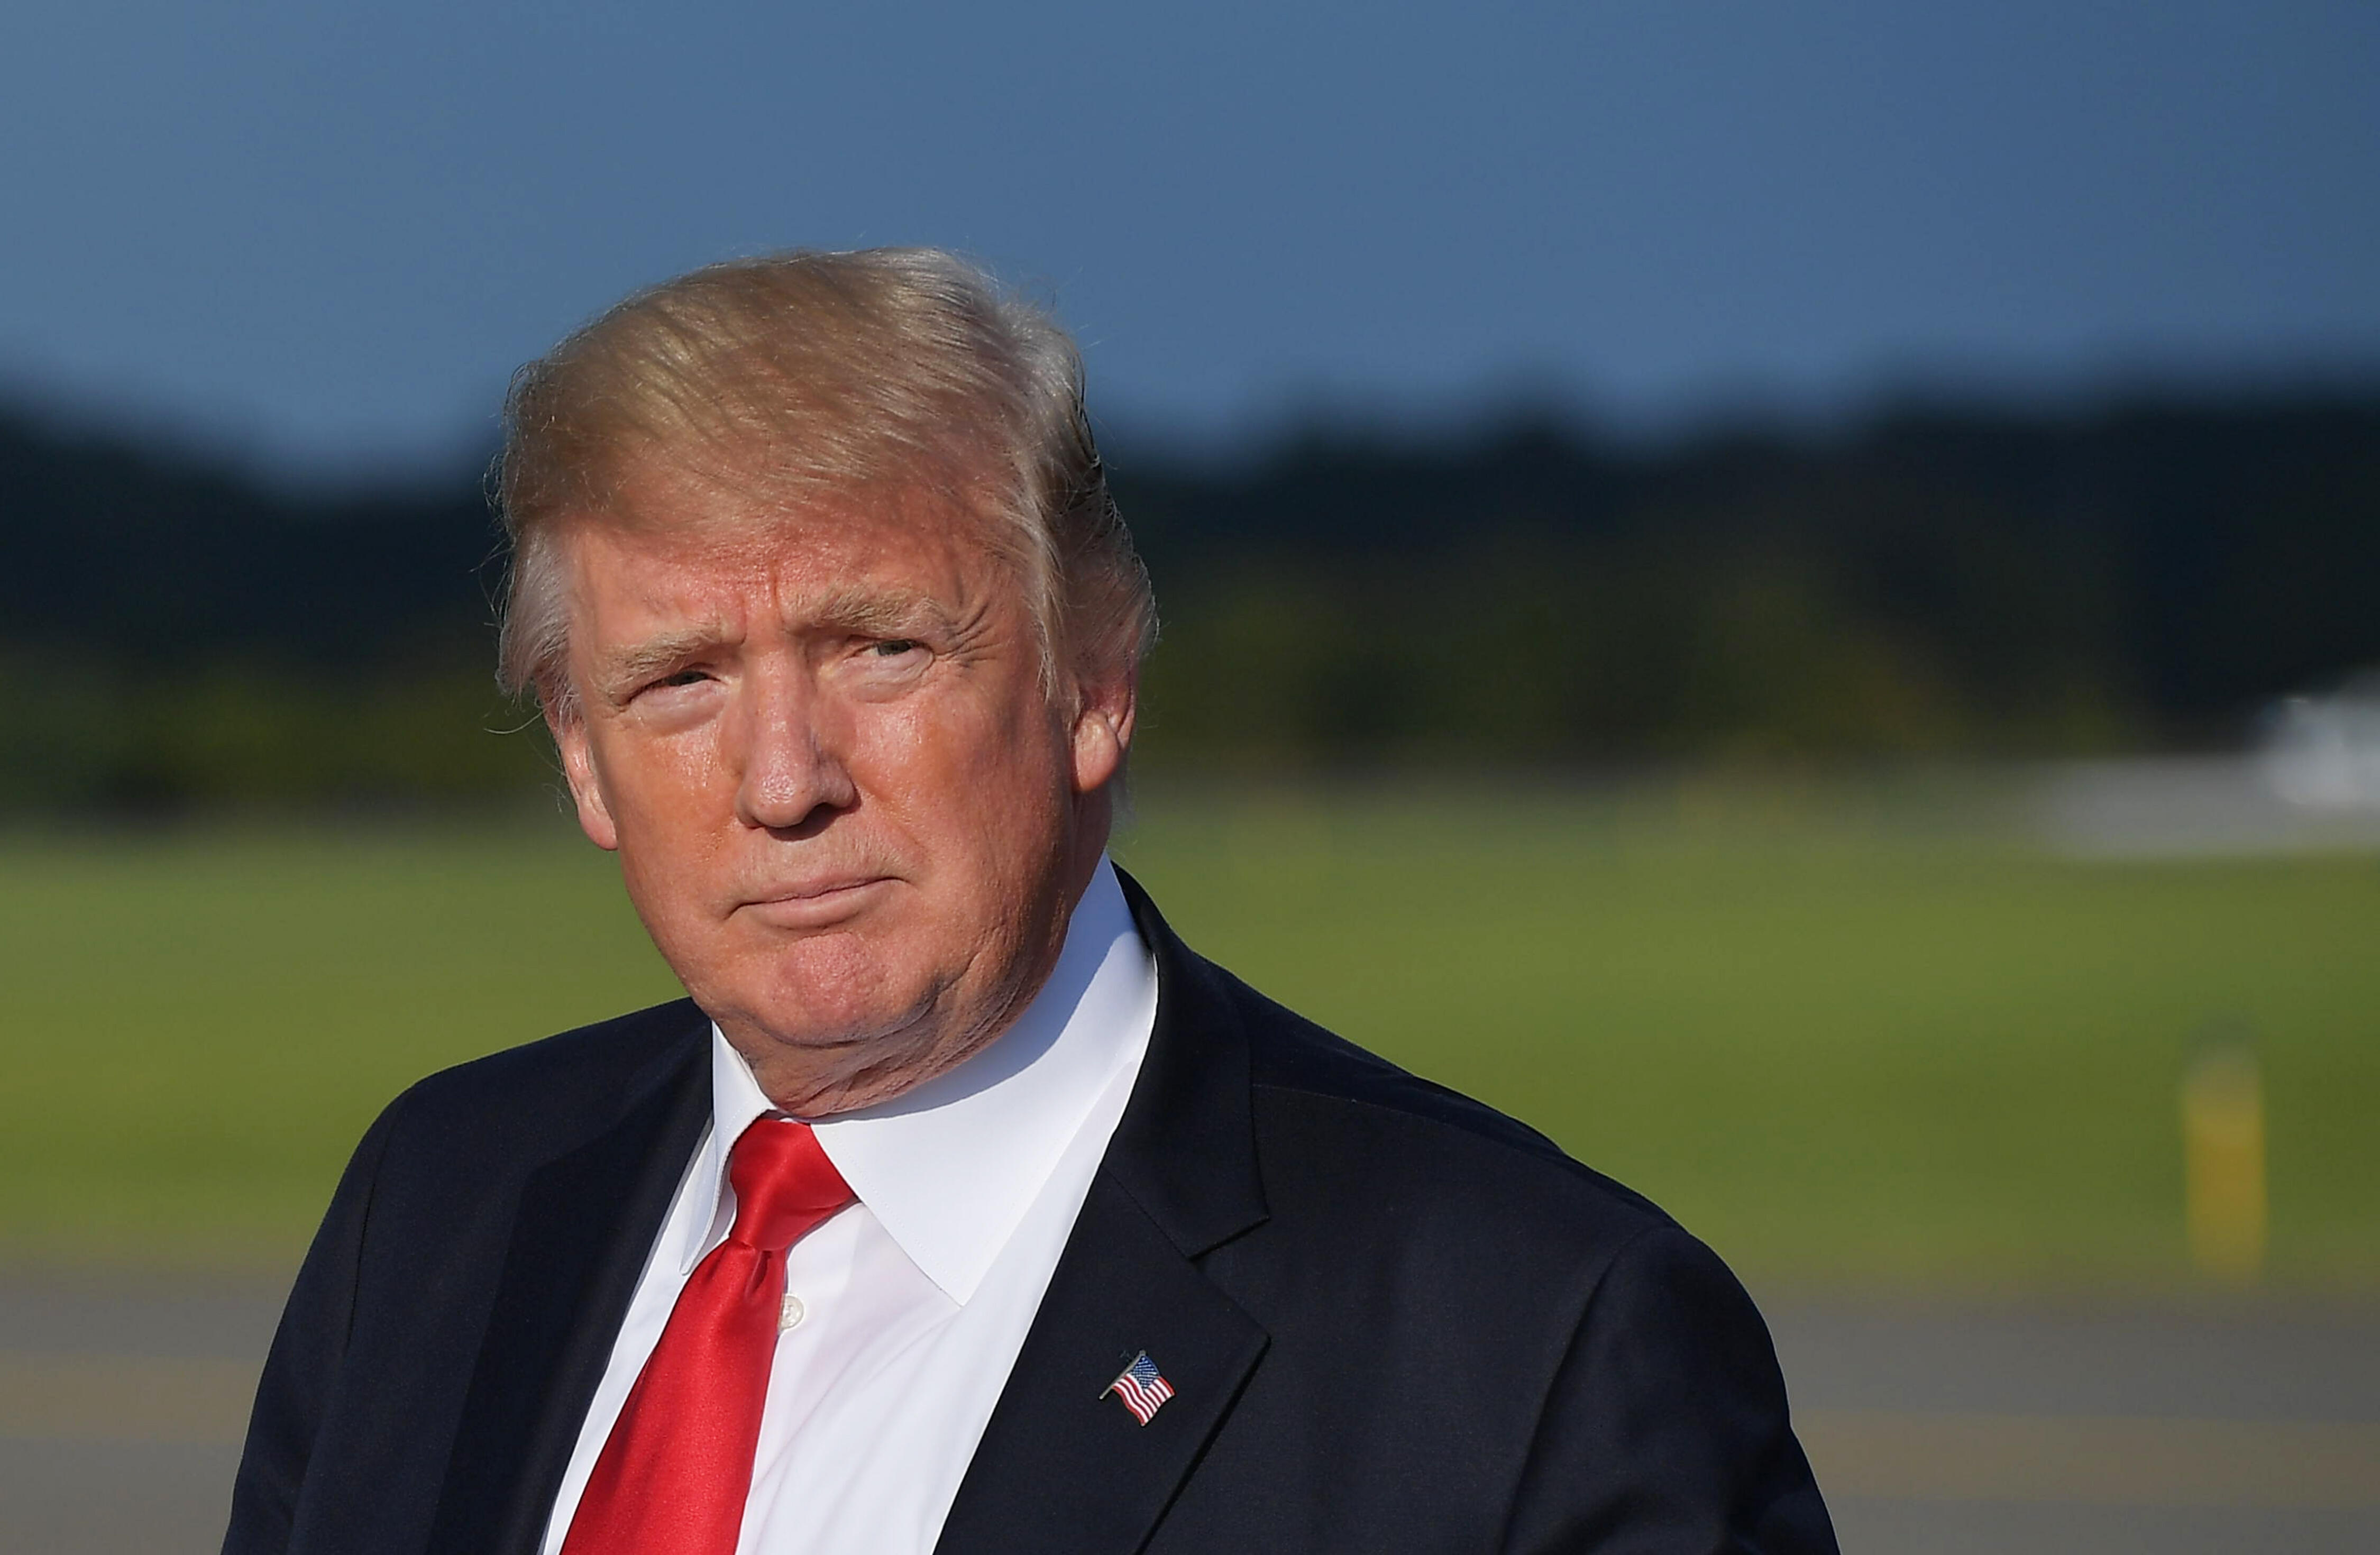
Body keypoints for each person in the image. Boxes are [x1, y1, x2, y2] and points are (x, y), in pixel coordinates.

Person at [223, 248, 1836, 1555]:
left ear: (1094, 685)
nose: (783, 779)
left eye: (880, 647)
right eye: (679, 681)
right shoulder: (440, 1200)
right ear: (581, 757)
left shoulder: (1530, 1335)